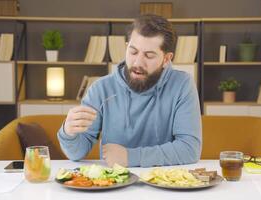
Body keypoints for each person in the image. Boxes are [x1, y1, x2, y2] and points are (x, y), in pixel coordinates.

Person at [57, 14, 201, 167]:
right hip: (113, 184)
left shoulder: (182, 85)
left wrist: (130, 157)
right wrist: (68, 132)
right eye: (133, 52)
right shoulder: (101, 89)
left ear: (166, 59)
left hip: (164, 184)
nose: (138, 62)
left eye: (149, 55)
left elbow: (189, 149)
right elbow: (77, 153)